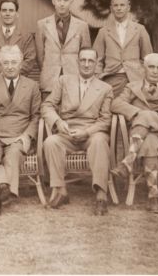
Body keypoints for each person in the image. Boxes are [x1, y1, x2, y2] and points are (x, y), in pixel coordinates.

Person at [110, 53, 158, 213]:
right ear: (144, 68)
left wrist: (156, 115)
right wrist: (138, 113)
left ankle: (128, 161)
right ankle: (154, 196)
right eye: (151, 67)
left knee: (147, 115)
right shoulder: (132, 87)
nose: (155, 71)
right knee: (150, 141)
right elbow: (116, 104)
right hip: (145, 138)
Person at [41, 48, 113, 215]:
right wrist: (58, 122)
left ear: (96, 64)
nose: (86, 64)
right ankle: (61, 191)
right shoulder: (64, 81)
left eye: (90, 61)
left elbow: (105, 120)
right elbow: (47, 105)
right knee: (50, 142)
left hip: (92, 132)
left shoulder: (105, 88)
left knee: (100, 142)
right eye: (83, 60)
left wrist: (87, 132)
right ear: (77, 62)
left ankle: (101, 195)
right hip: (68, 130)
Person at [0, 45, 41, 215]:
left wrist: (26, 136)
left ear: (21, 64)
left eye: (14, 62)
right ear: (0, 64)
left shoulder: (32, 86)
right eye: (6, 63)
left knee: (13, 155)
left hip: (19, 136)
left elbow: (36, 116)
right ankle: (3, 190)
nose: (10, 66)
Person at [92, 0, 153, 96]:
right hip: (112, 78)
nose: (119, 8)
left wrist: (141, 75)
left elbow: (148, 58)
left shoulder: (139, 29)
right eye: (115, 5)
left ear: (128, 7)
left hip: (135, 79)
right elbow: (97, 59)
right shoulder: (103, 31)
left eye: (122, 5)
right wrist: (98, 79)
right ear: (111, 8)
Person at [36, 0, 91, 97]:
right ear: (53, 1)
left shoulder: (82, 26)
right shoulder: (42, 25)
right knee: (48, 112)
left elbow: (86, 55)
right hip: (49, 81)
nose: (62, 3)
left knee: (72, 113)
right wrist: (49, 69)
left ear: (71, 1)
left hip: (74, 80)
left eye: (65, 0)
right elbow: (40, 55)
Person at [0, 0, 36, 78]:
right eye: (4, 10)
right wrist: (5, 72)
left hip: (19, 81)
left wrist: (11, 73)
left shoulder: (26, 37)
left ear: (17, 14)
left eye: (11, 10)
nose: (7, 14)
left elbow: (29, 61)